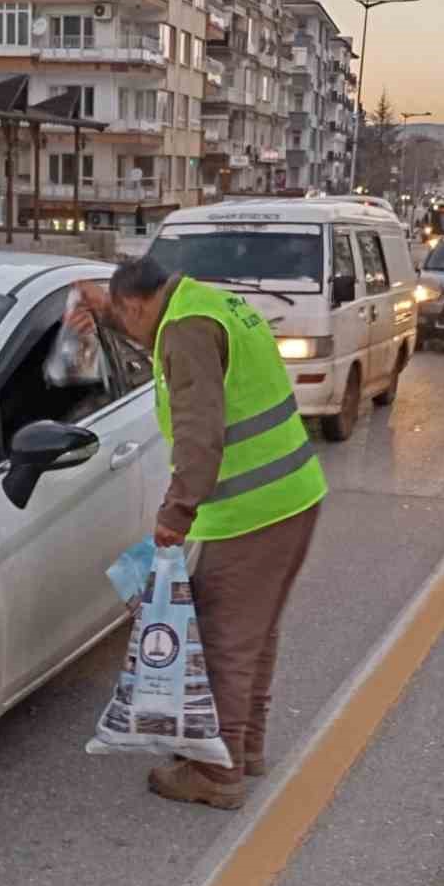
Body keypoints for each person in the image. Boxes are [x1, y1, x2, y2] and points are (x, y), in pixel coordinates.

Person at [79, 257, 327, 810]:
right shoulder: (206, 302)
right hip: (290, 495)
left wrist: (175, 514)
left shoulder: (185, 332)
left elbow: (200, 435)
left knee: (222, 642)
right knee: (253, 635)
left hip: (252, 511)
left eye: (123, 316)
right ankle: (245, 748)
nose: (132, 333)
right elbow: (156, 339)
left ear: (135, 303)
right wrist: (103, 311)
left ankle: (217, 775)